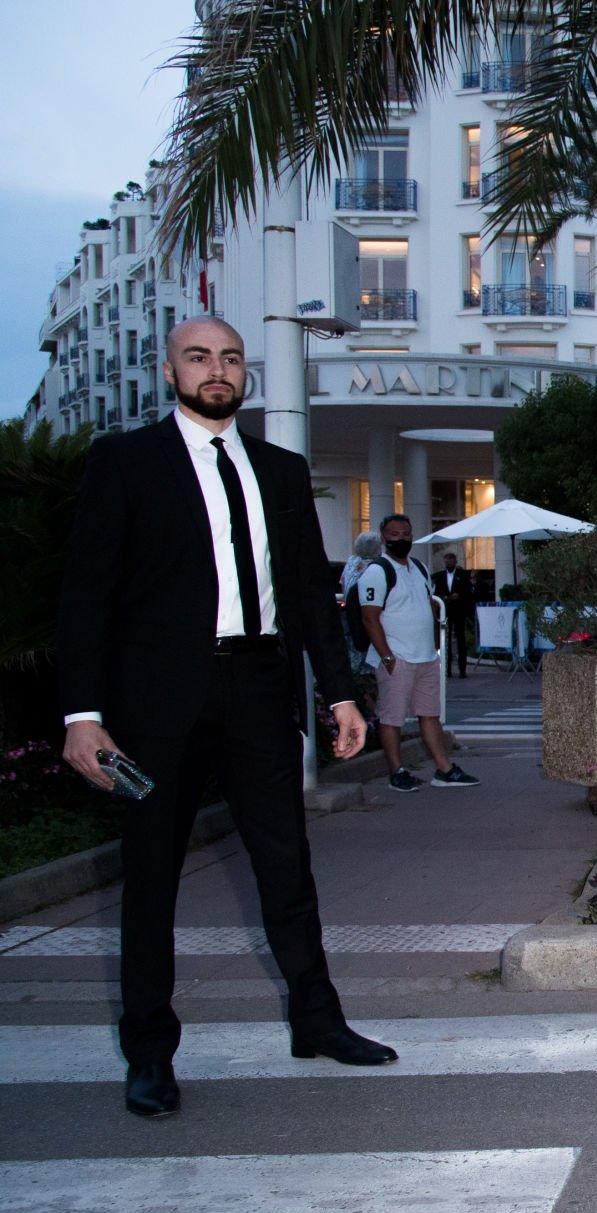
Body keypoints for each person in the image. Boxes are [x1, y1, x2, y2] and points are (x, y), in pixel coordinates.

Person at [56, 317, 399, 1120]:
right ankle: (149, 1051)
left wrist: (342, 691)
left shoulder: (279, 469)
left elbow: (312, 594)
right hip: (157, 703)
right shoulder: (125, 462)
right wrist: (83, 714)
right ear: (168, 367)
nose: (218, 371)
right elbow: (85, 596)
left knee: (288, 867)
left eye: (231, 358)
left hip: (257, 687)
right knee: (149, 877)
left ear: (246, 373)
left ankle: (317, 1020)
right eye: (200, 357)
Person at [356, 514, 479, 793]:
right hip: (397, 657)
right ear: (383, 536)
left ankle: (444, 769)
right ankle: (396, 771)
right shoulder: (377, 571)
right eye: (394, 533)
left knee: (429, 715)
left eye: (406, 533)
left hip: (424, 656)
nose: (401, 538)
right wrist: (387, 656)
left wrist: (434, 646)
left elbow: (428, 606)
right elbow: (369, 618)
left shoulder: (421, 569)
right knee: (392, 717)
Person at [340, 530, 384, 674]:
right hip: (372, 616)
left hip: (350, 618)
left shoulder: (351, 562)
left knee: (354, 658)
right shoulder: (380, 566)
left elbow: (343, 585)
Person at [432, 552, 474, 679]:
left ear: (455, 561)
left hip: (459, 611)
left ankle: (462, 669)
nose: (448, 562)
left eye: (450, 560)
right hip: (446, 611)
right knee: (445, 640)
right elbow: (436, 592)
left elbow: (468, 592)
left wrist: (459, 596)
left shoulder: (463, 575)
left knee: (461, 639)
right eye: (446, 560)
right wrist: (444, 598)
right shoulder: (439, 576)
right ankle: (447, 669)